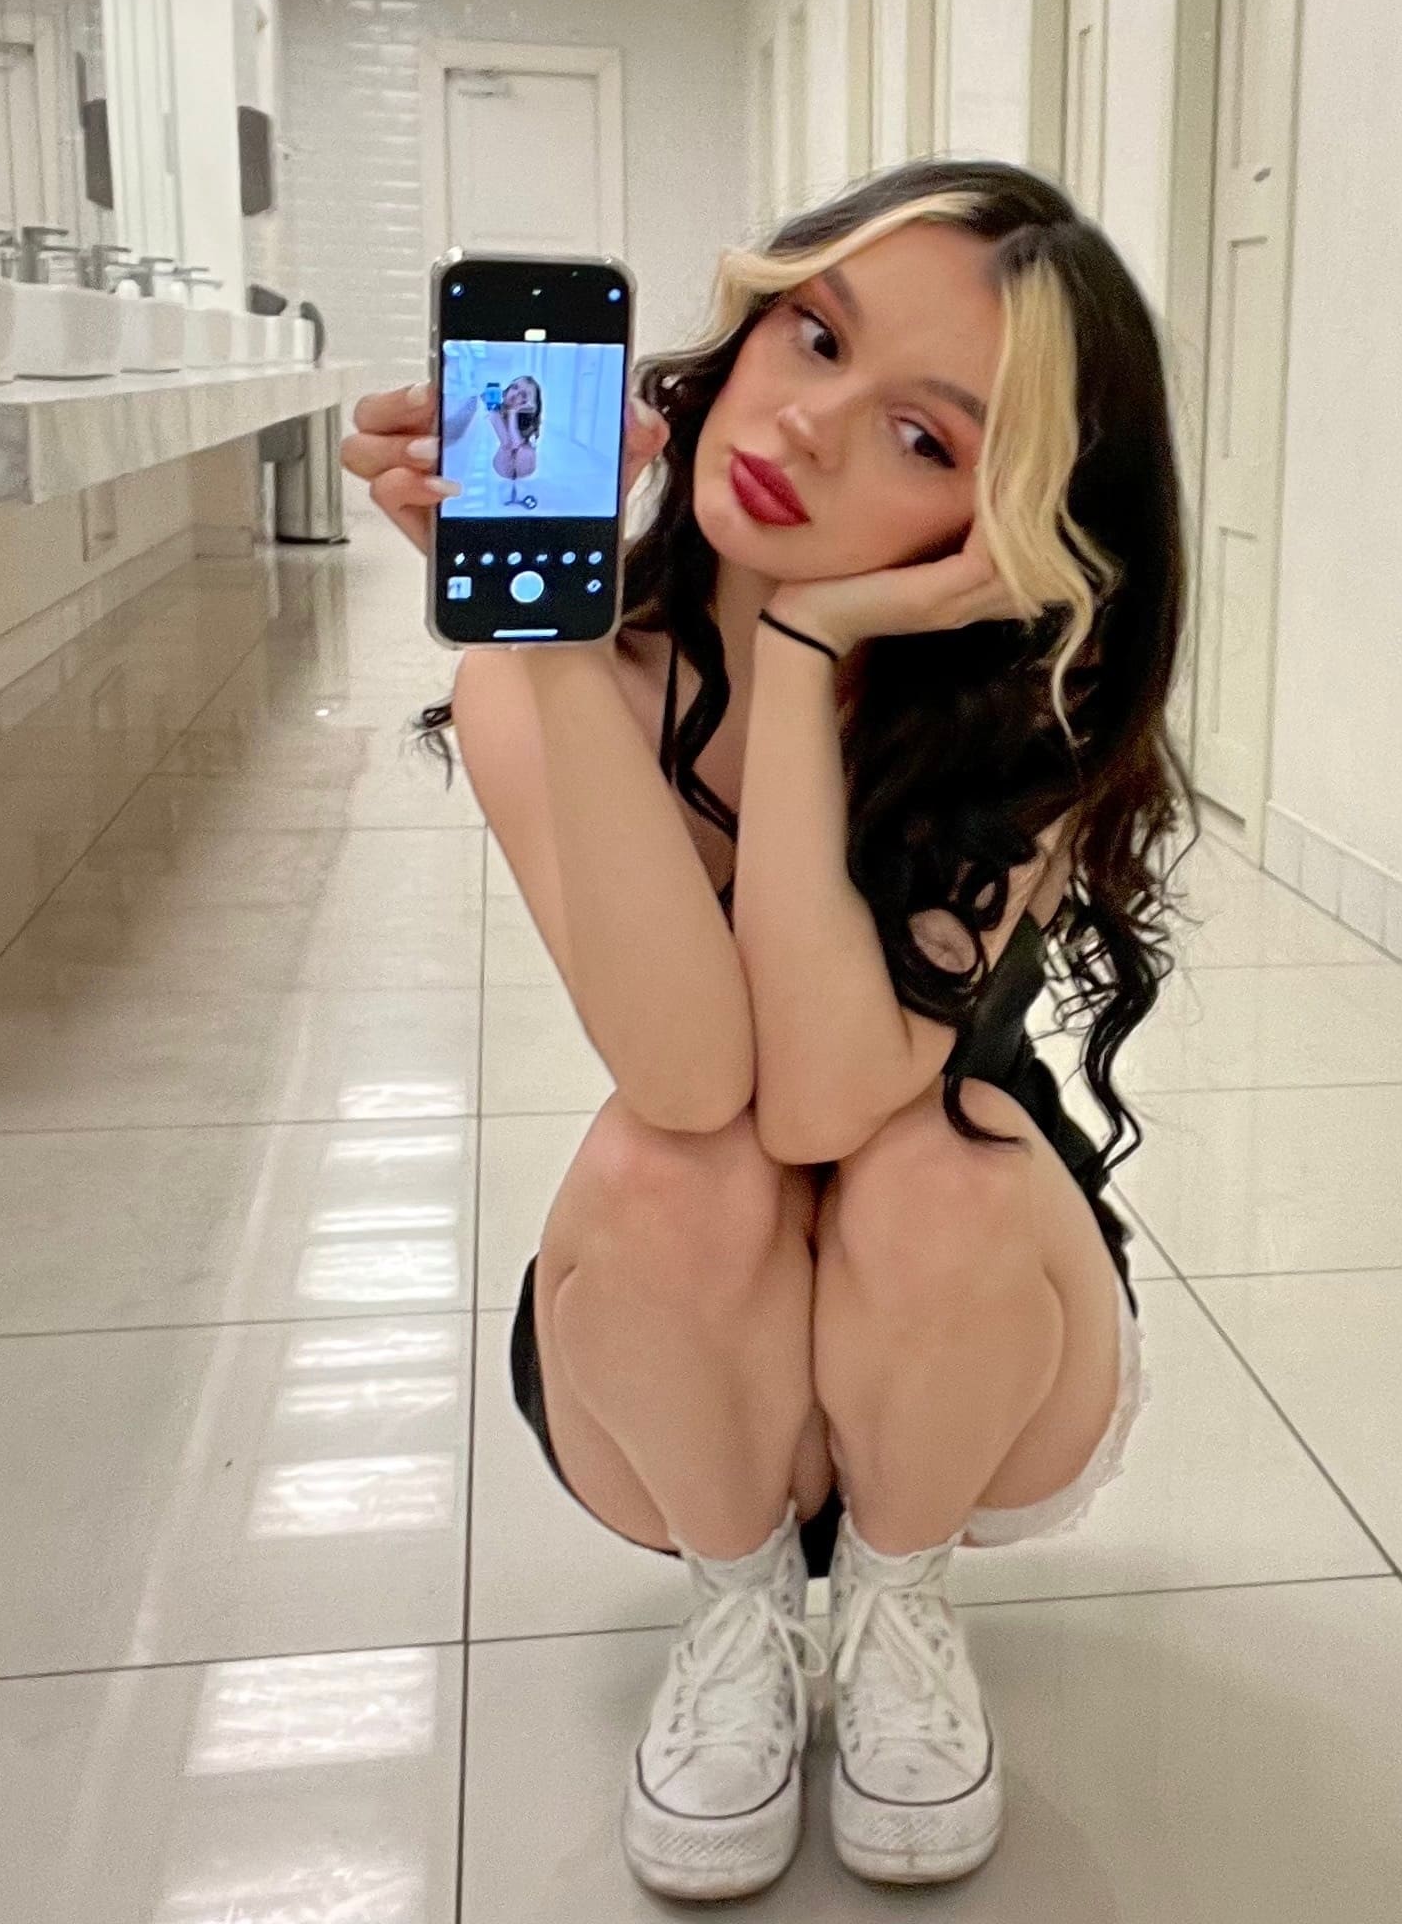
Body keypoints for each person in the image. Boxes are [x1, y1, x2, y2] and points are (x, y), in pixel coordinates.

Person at [341, 157, 1194, 1902]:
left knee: (926, 1155)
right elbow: (693, 1079)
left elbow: (822, 1098)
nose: (805, 425)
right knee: (674, 1159)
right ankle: (737, 1615)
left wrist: (806, 653)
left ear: (1002, 520)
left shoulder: (1023, 719)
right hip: (681, 1369)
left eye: (922, 437)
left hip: (970, 1351)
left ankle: (895, 1601)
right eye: (814, 334)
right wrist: (557, 635)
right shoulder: (547, 678)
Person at [490, 374, 542, 505]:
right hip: (504, 457)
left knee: (525, 451)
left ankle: (520, 485)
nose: (516, 394)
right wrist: (501, 412)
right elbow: (507, 443)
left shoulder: (528, 418)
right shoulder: (495, 412)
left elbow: (517, 443)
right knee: (507, 449)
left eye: (523, 395)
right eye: (514, 387)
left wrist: (513, 413)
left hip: (522, 460)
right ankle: (508, 485)